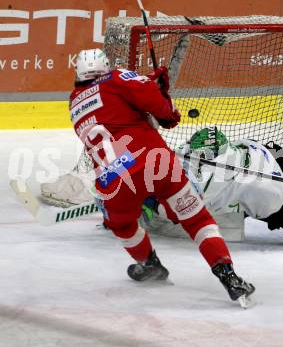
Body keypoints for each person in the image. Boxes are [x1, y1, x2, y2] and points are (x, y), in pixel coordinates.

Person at [69, 48, 255, 307]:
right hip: (155, 162)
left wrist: (148, 83)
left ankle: (149, 264)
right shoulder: (117, 77)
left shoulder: (74, 102)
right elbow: (165, 115)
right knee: (196, 218)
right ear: (106, 66)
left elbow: (113, 108)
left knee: (123, 226)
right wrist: (160, 92)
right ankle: (229, 276)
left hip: (114, 180)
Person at [143, 126, 283, 243]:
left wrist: (148, 203)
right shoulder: (195, 152)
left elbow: (179, 212)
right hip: (274, 154)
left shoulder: (211, 179)